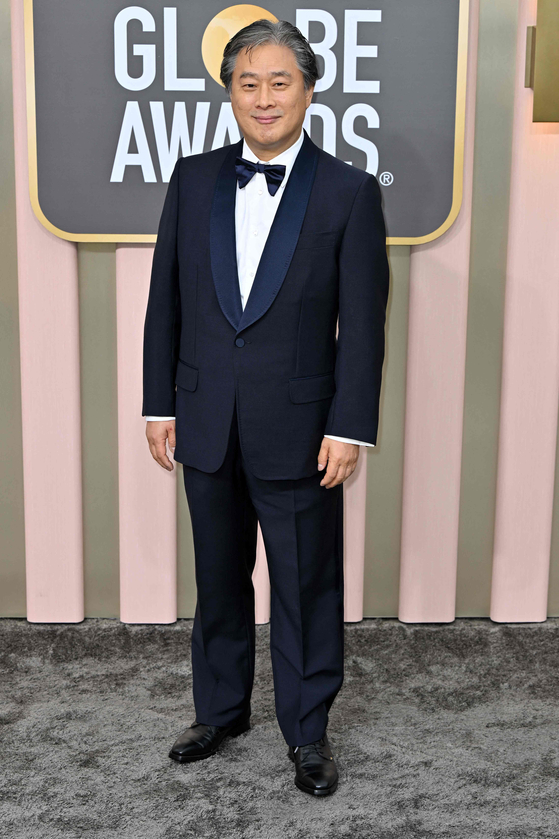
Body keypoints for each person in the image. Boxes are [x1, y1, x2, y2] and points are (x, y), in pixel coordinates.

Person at [143, 18, 389, 797]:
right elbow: (164, 306)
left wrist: (349, 424)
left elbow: (364, 323)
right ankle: (219, 710)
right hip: (204, 418)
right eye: (247, 83)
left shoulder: (349, 191)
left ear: (309, 89)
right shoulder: (192, 179)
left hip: (303, 428)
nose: (263, 97)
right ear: (229, 92)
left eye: (279, 81)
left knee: (305, 584)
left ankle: (308, 731)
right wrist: (158, 403)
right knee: (218, 579)